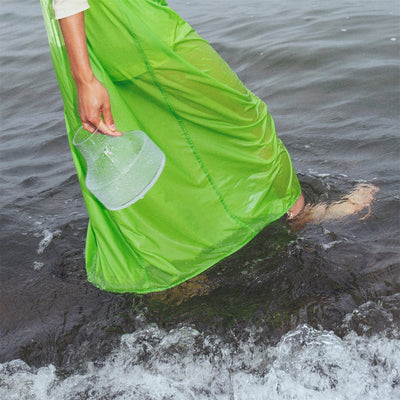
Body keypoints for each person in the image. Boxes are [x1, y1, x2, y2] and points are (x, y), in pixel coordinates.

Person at [41, 0, 377, 294]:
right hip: (123, 23)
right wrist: (84, 79)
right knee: (244, 119)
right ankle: (298, 215)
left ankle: (174, 266)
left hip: (116, 24)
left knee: (156, 133)